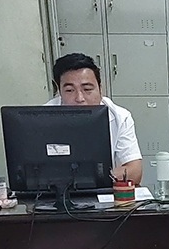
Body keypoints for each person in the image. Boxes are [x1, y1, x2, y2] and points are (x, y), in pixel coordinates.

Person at [45, 53, 144, 184]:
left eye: (87, 89)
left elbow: (134, 171)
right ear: (59, 92)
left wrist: (96, 177)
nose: (79, 98)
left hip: (105, 190)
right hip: (57, 192)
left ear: (100, 89)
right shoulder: (43, 118)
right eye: (69, 90)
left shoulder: (119, 117)